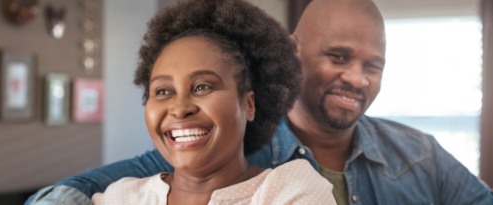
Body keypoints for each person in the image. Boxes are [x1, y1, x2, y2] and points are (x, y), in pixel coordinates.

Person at [27, 0, 493, 204]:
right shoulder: (218, 153)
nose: (356, 78)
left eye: (373, 65)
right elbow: (70, 193)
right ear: (294, 52)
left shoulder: (420, 156)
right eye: (338, 56)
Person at [88, 0, 337, 204]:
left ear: (249, 105)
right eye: (163, 91)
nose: (179, 108)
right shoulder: (121, 198)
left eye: (202, 86)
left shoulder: (291, 192)